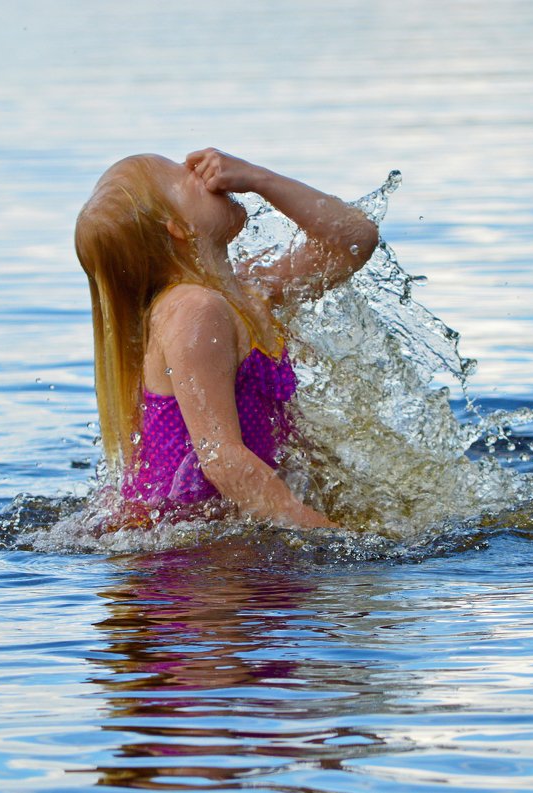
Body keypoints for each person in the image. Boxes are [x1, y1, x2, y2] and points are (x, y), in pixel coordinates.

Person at [75, 148, 379, 530]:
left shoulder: (247, 293)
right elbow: (222, 458)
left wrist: (260, 179)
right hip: (193, 565)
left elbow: (354, 241)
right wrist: (333, 537)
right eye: (182, 174)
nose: (201, 172)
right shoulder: (194, 311)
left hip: (229, 537)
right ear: (178, 227)